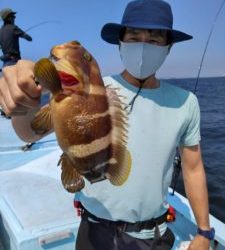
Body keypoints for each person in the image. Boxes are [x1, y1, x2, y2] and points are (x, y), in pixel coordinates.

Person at [0, 1, 214, 249]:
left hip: (152, 235)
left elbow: (194, 168)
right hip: (93, 229)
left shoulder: (187, 103)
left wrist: (204, 232)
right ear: (121, 42)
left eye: (154, 40)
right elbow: (29, 133)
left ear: (168, 47)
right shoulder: (95, 89)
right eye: (134, 37)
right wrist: (24, 102)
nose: (143, 45)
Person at [0, 8, 32, 118]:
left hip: (5, 63)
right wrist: (24, 34)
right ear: (9, 18)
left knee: (7, 88)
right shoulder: (14, 28)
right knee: (19, 87)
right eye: (13, 16)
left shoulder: (0, 31)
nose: (15, 18)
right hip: (14, 62)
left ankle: (5, 110)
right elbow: (29, 38)